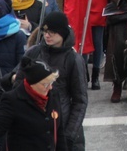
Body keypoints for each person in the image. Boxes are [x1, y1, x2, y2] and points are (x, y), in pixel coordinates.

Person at [0, 57, 66, 150]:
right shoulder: (12, 99)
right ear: (32, 84)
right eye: (45, 84)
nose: (50, 87)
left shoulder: (53, 95)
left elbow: (59, 132)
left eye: (51, 83)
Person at [20, 12, 87, 151]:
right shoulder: (34, 53)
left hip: (63, 126)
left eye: (52, 32)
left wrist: (69, 136)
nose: (47, 35)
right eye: (45, 31)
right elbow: (17, 81)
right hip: (34, 127)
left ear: (62, 33)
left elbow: (80, 101)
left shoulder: (73, 59)